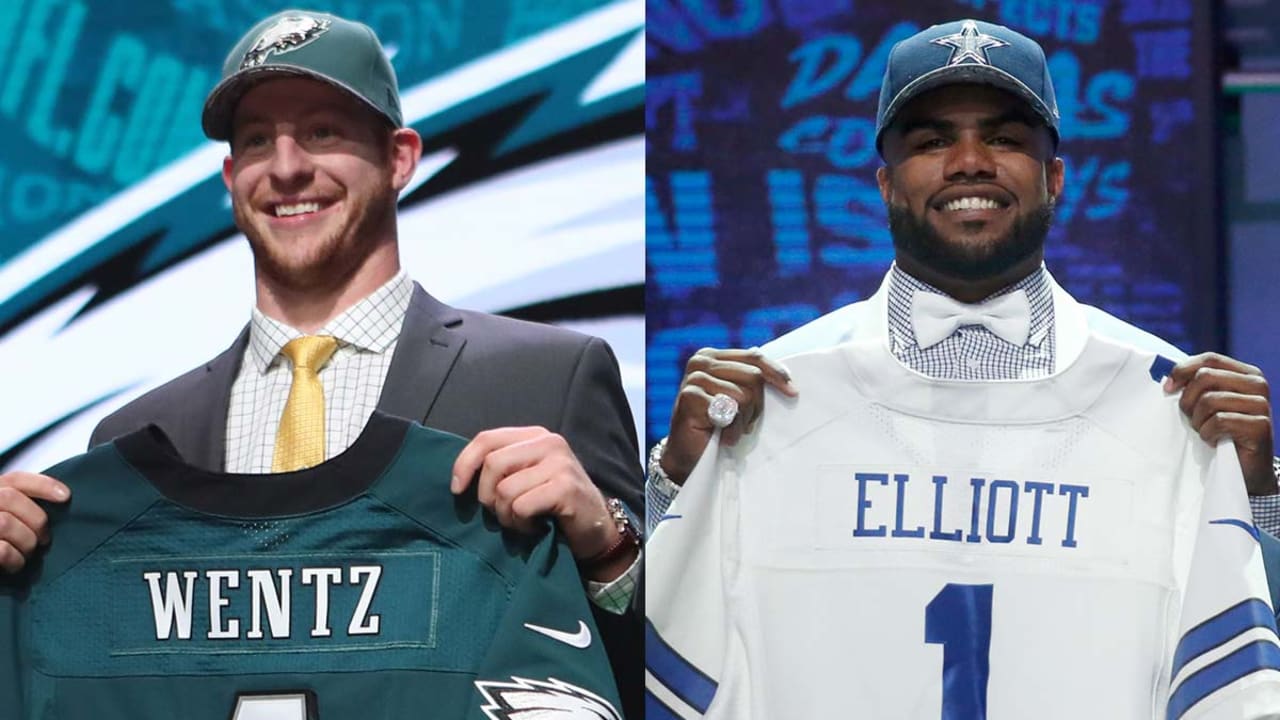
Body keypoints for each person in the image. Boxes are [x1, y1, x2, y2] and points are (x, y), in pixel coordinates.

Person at [0, 10, 644, 717]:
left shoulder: (549, 376)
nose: (286, 167)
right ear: (229, 175)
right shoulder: (136, 438)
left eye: (321, 132)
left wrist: (610, 550)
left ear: (400, 156)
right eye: (255, 141)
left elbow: (657, 670)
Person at [645, 19, 1280, 717]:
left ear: (1056, 177)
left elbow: (1236, 674)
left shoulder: (1170, 401)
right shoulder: (772, 396)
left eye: (1005, 138)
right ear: (886, 183)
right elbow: (662, 647)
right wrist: (677, 483)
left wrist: (1253, 501)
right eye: (932, 141)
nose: (970, 161)